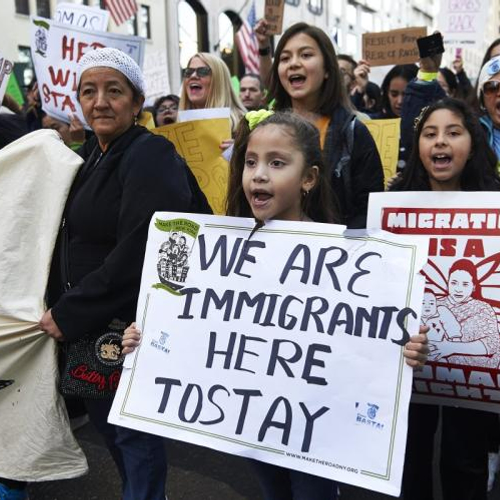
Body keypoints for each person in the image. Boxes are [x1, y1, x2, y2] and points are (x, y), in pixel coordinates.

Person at [122, 110, 429, 500]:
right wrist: (144, 340)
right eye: (250, 162)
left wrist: (407, 351)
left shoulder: (346, 260)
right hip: (252, 423)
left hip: (316, 429)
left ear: (309, 179)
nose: (259, 174)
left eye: (277, 163)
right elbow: (191, 327)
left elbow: (369, 338)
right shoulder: (219, 255)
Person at [38, 47, 211, 500]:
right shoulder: (90, 155)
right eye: (89, 91)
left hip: (128, 321)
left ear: (137, 103)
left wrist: (69, 309)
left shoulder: (150, 154)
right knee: (110, 429)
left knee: (134, 436)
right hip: (91, 323)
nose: (100, 102)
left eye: (113, 91)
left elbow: (141, 247)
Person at [392, 97, 500, 500]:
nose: (441, 142)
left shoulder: (496, 202)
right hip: (409, 366)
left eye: (453, 133)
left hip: (471, 382)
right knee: (410, 459)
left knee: (464, 461)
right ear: (417, 146)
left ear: (472, 143)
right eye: (430, 134)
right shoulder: (390, 207)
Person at [256, 22, 384, 228]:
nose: (293, 64)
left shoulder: (352, 132)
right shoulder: (262, 129)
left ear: (327, 70)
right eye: (285, 58)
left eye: (305, 55)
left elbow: (368, 208)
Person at [179, 52, 246, 135]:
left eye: (203, 71)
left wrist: (237, 146)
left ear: (219, 81)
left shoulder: (245, 125)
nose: (193, 76)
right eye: (188, 72)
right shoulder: (177, 125)